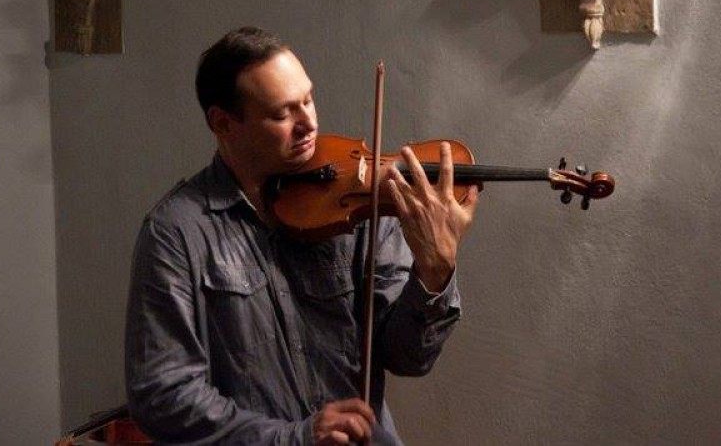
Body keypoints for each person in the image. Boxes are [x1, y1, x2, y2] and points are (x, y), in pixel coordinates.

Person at [125, 27, 478, 445]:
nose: (309, 123)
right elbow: (162, 396)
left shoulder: (357, 203)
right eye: (282, 114)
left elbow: (408, 357)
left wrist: (434, 271)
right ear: (223, 123)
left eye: (308, 99)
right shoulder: (176, 233)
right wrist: (295, 438)